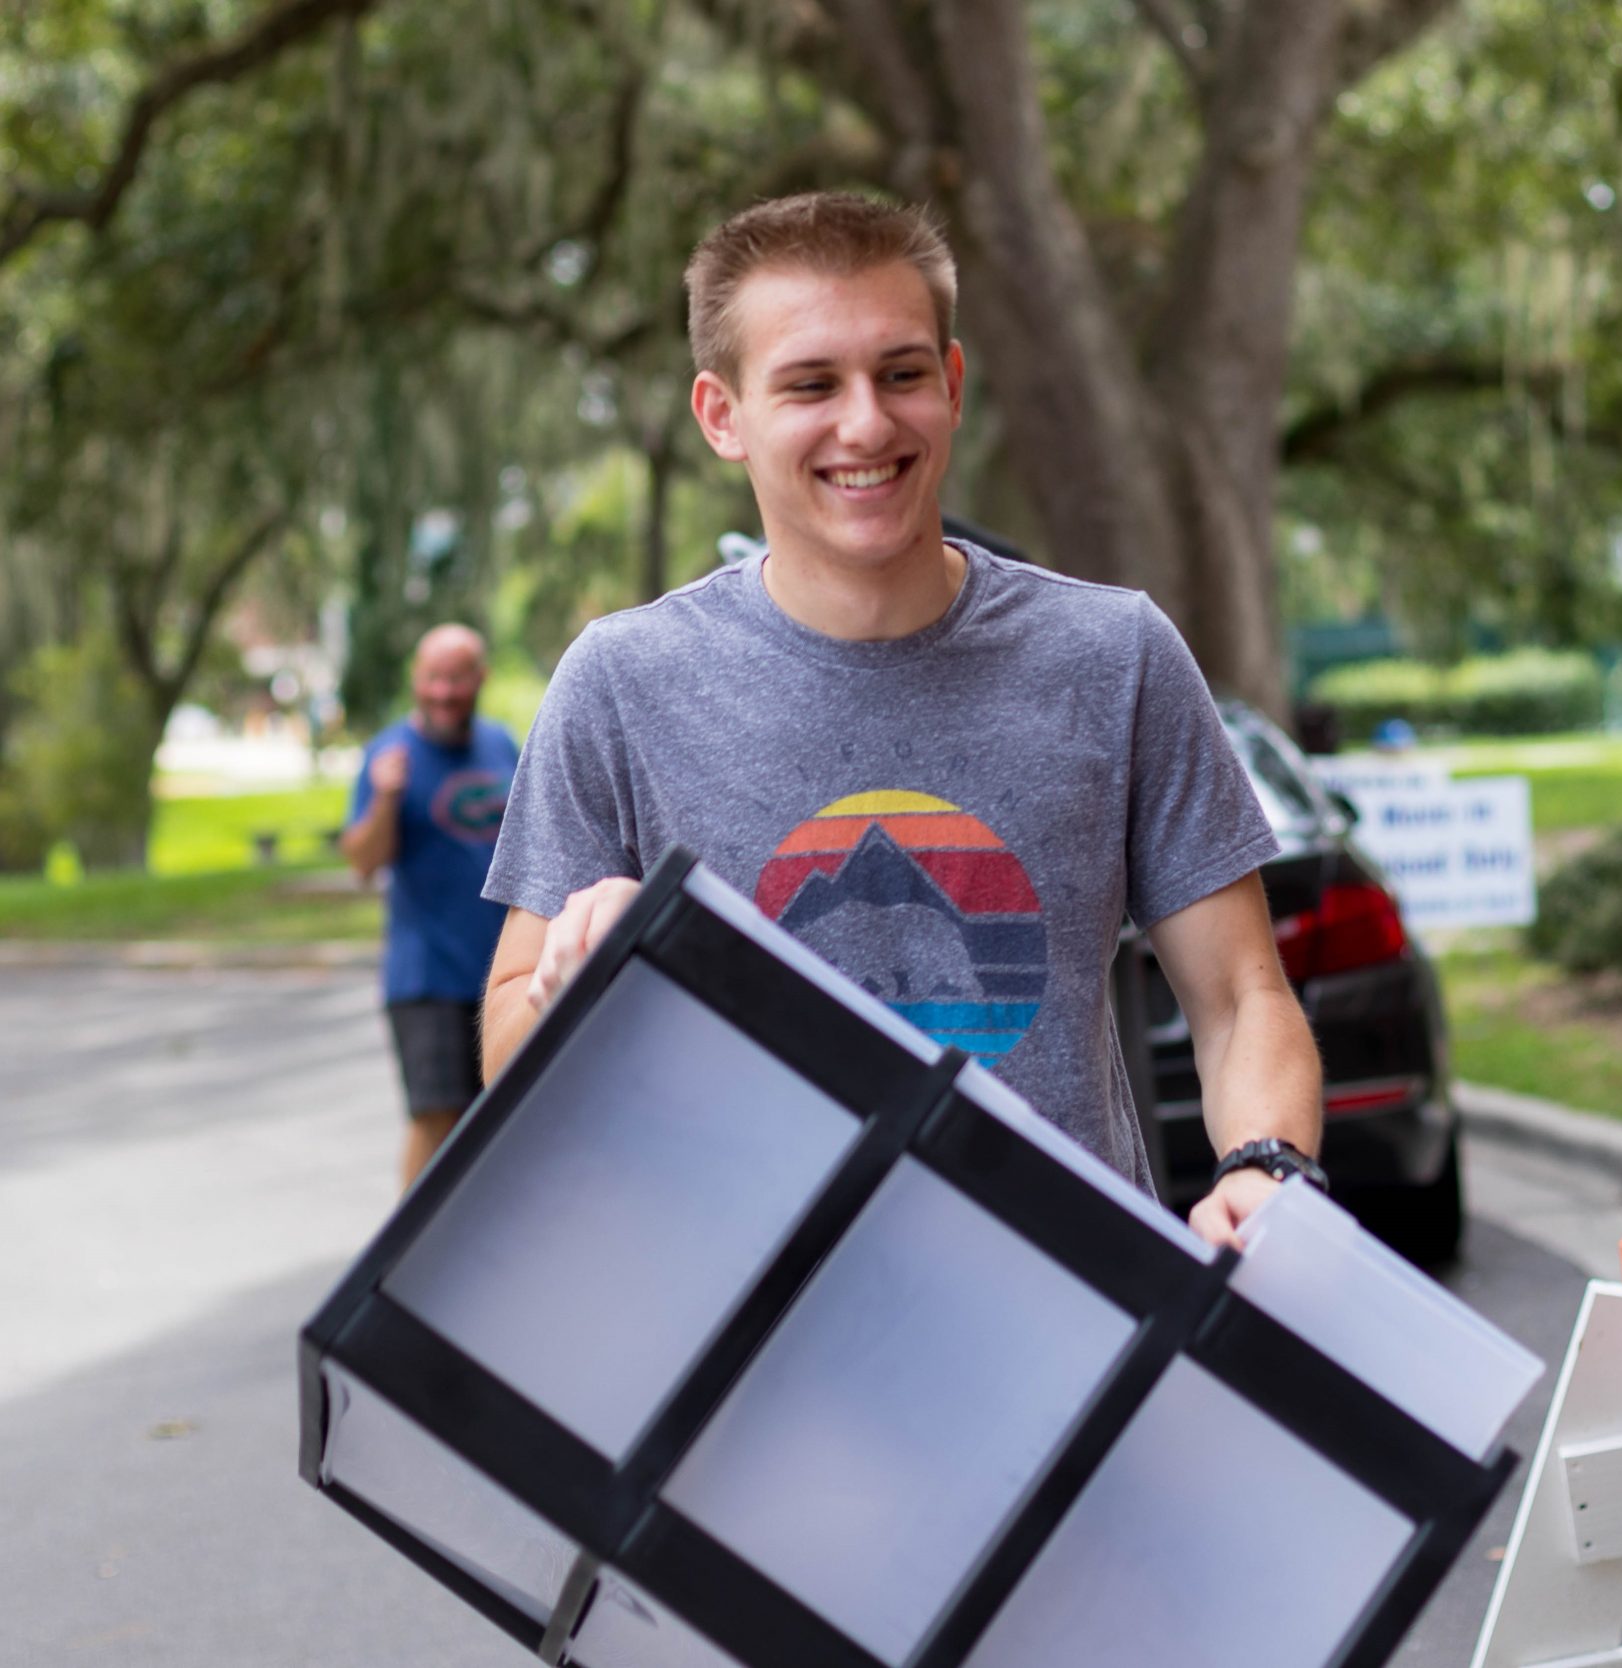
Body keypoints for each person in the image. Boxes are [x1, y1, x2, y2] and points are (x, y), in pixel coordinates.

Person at [479, 193, 1323, 1247]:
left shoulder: (1114, 657)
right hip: (750, 1339)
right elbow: (508, 1035)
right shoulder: (622, 682)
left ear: (954, 384)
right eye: (810, 385)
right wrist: (571, 982)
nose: (867, 423)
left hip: (1077, 1310)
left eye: (902, 373)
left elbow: (1242, 995)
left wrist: (1265, 1164)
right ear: (720, 415)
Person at [342, 623, 518, 1187]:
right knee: (436, 1117)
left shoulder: (501, 745)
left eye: (457, 679)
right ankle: (404, 1259)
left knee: (504, 1117)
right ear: (417, 680)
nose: (444, 692)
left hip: (499, 971)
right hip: (426, 976)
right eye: (433, 679)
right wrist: (387, 798)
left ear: (480, 679)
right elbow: (363, 862)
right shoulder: (389, 755)